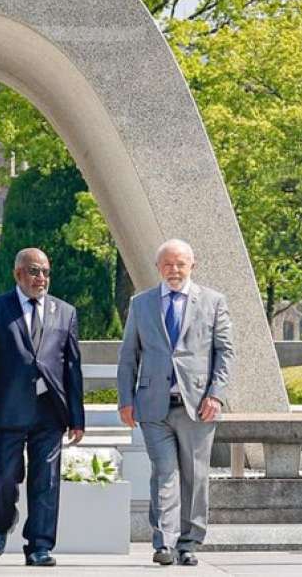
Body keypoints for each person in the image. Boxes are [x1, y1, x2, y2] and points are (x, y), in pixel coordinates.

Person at [117, 238, 234, 567]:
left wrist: (216, 394)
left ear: (192, 265)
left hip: (198, 404)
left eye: (180, 263)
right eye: (168, 264)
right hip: (154, 405)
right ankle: (164, 542)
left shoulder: (213, 302)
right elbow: (128, 356)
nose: (174, 269)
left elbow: (225, 352)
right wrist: (125, 399)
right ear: (158, 267)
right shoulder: (141, 304)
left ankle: (189, 542)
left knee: (195, 477)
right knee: (163, 472)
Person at [0, 248, 85, 567]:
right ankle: (2, 523)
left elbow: (72, 368)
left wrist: (77, 418)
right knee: (5, 478)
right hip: (8, 409)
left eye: (46, 272)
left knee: (46, 480)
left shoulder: (65, 312)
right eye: (35, 271)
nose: (41, 278)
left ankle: (40, 546)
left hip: (50, 411)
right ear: (18, 274)